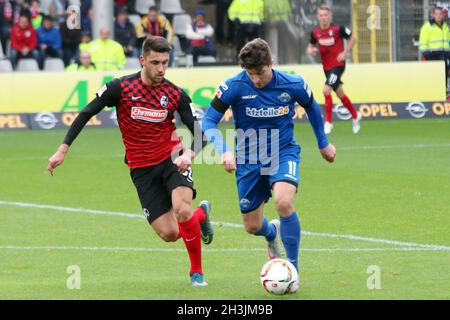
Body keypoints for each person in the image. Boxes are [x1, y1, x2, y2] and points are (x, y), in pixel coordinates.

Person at [48, 36, 214, 287]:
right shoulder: (120, 88)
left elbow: (202, 132)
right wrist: (63, 150)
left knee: (182, 209)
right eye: (155, 62)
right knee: (169, 234)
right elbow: (86, 112)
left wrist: (189, 154)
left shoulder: (175, 93)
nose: (160, 69)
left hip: (172, 160)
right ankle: (201, 216)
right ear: (142, 60)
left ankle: (196, 273)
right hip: (141, 169)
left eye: (165, 63)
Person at [201, 38, 336, 293]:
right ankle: (271, 233)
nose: (256, 80)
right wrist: (224, 150)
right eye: (250, 74)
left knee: (283, 202)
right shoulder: (233, 86)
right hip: (249, 160)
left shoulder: (293, 83)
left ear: (271, 64)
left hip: (282, 152)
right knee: (252, 226)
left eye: (260, 73)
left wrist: (323, 143)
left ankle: (292, 270)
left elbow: (312, 107)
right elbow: (208, 121)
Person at [307, 4, 361, 135]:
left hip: (338, 65)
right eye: (321, 15)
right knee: (339, 93)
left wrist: (345, 52)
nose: (323, 18)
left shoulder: (338, 29)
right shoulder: (315, 32)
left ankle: (329, 122)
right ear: (317, 17)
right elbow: (310, 47)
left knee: (326, 90)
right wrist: (311, 50)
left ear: (330, 16)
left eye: (326, 15)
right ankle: (355, 115)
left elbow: (353, 38)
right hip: (326, 68)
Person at [419, 6, 450, 89]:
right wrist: (428, 56)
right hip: (433, 55)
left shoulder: (445, 26)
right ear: (433, 15)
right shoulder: (427, 26)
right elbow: (422, 43)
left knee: (444, 75)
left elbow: (448, 41)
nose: (439, 16)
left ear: (443, 15)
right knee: (434, 78)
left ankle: (443, 93)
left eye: (440, 14)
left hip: (445, 55)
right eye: (436, 14)